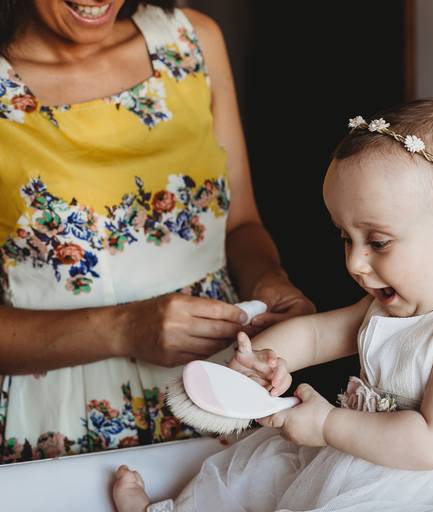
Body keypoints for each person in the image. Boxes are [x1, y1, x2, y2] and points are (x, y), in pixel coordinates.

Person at [111, 99, 433, 512]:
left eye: (377, 241)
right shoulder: (389, 303)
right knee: (254, 474)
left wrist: (329, 425)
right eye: (344, 237)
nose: (355, 262)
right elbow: (312, 334)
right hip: (367, 459)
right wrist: (265, 360)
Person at [0, 0, 313, 463]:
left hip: (220, 387)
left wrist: (268, 279)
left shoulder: (192, 41)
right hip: (63, 419)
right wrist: (127, 329)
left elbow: (241, 225)